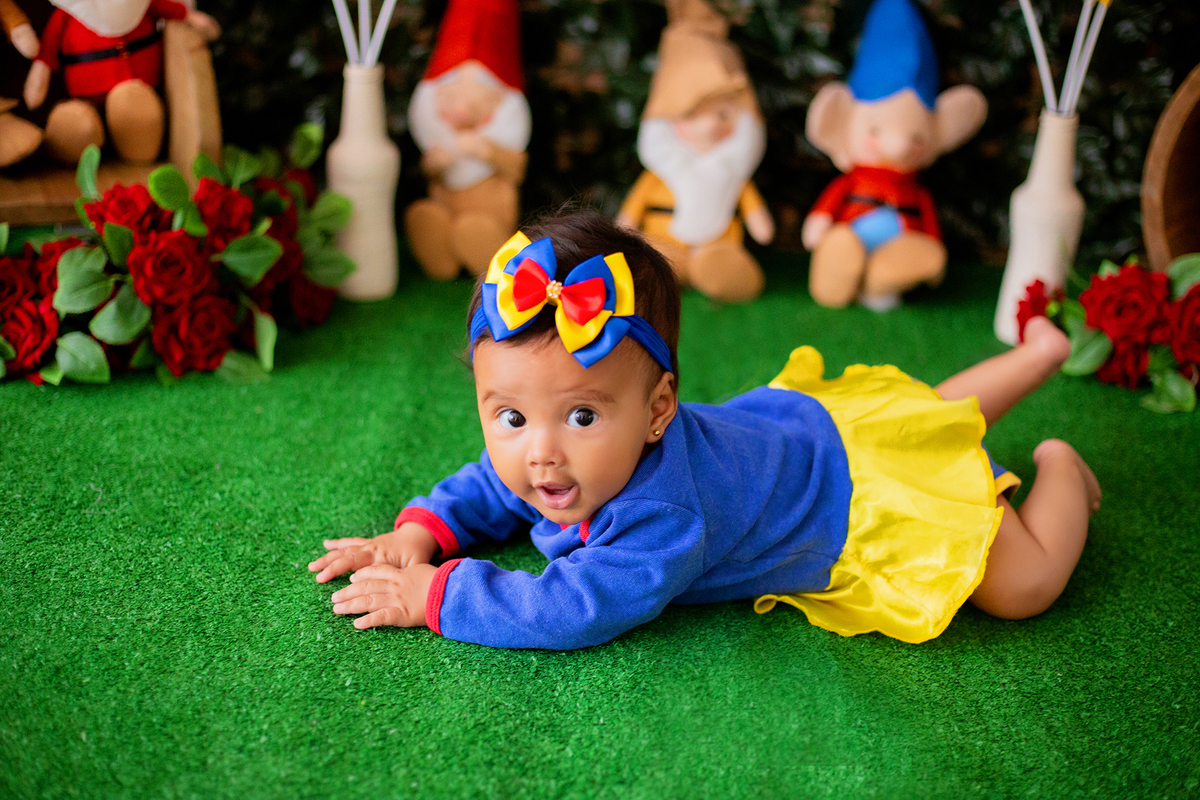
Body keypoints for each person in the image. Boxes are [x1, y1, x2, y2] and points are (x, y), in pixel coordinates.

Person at [309, 210, 1099, 650]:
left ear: (659, 410)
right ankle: (1037, 353)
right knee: (919, 414)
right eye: (509, 415)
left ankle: (1063, 467)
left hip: (858, 504)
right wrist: (421, 531)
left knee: (1019, 586)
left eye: (582, 415)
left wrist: (438, 594)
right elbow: (493, 479)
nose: (539, 451)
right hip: (805, 431)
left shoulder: (664, 516)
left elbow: (573, 607)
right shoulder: (554, 462)